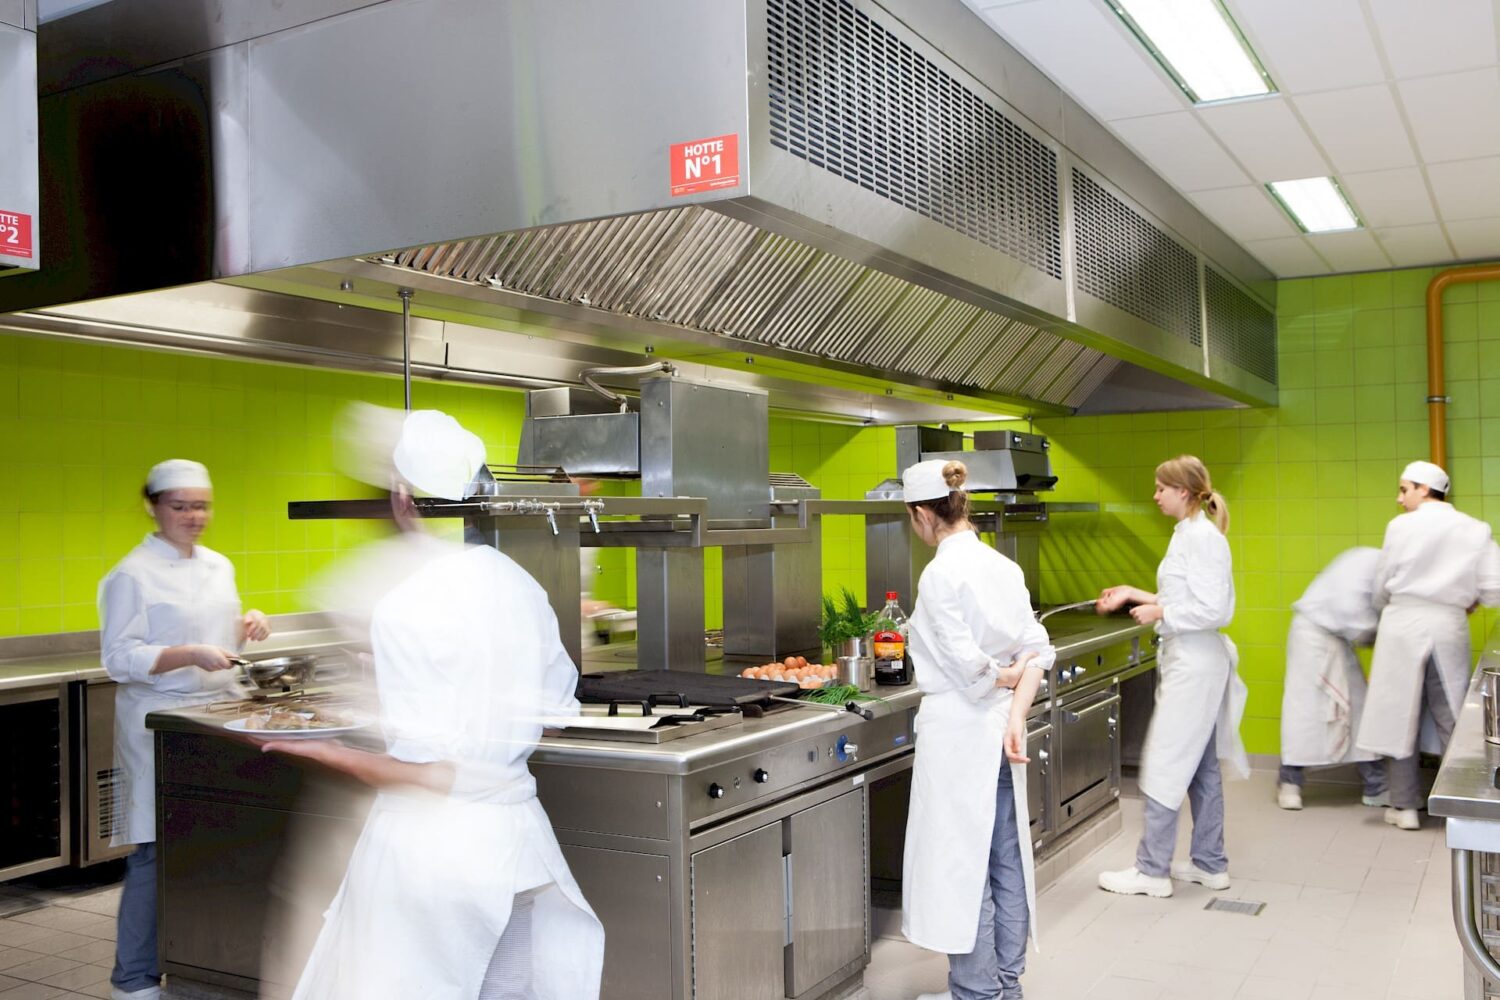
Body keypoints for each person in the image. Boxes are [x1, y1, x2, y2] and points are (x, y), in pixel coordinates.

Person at [265, 409, 604, 1000]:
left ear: (402, 497)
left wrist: (325, 753)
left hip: (430, 860)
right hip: (518, 846)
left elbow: (430, 772)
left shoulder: (404, 604)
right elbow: (549, 719)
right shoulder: (521, 585)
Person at [98, 460, 271, 1000]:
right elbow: (118, 659)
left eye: (201, 505)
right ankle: (134, 980)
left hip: (213, 719)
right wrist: (187, 654)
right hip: (157, 724)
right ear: (152, 506)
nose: (194, 516)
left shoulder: (218, 566)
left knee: (211, 845)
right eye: (180, 506)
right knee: (154, 853)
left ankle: (205, 962)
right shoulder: (131, 573)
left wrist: (247, 627)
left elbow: (223, 646)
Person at [899, 459, 1055, 1000]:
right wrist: (1015, 706)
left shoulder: (940, 573)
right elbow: (1037, 649)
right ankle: (1004, 986)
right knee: (1005, 857)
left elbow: (971, 672)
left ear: (922, 514)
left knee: (962, 865)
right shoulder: (1001, 566)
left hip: (961, 735)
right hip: (1000, 728)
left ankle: (977, 991)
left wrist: (1000, 680)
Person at [1096, 455, 1248, 899]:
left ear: (1184, 491)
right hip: (1191, 659)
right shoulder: (1188, 535)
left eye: (1162, 488)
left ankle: (1152, 871)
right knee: (1200, 766)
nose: (1156, 496)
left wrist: (1162, 611)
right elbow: (1184, 594)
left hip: (1196, 663)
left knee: (1164, 761)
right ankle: (1209, 864)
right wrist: (1133, 593)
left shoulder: (1203, 539)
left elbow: (1216, 609)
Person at [1356, 461, 1500, 831]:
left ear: (1424, 489)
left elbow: (1382, 582)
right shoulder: (1474, 528)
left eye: (1404, 489)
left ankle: (1404, 807)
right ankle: (1470, 803)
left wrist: (1380, 609)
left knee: (1398, 714)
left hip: (1402, 623)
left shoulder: (1400, 526)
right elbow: (1494, 587)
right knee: (1453, 713)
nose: (1399, 498)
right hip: (1448, 625)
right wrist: (1467, 602)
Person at [1277, 547, 1386, 810]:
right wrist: (1379, 639)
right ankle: (1289, 782)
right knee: (1304, 712)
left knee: (1359, 708)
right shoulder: (1368, 561)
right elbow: (1353, 614)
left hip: (1336, 639)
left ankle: (1377, 786)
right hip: (1312, 636)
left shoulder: (1381, 567)